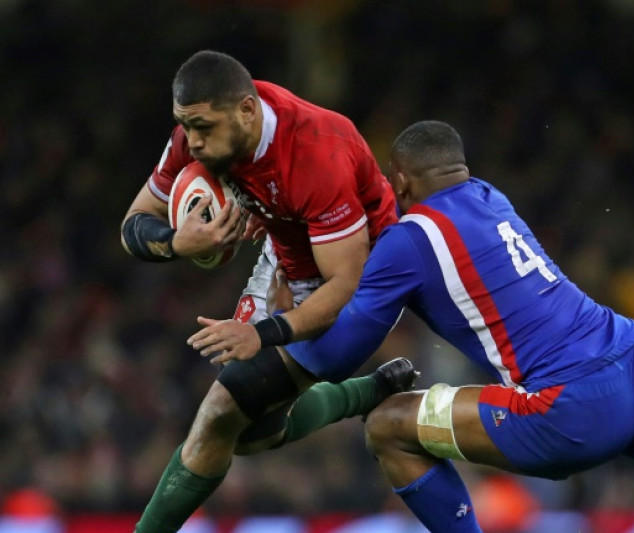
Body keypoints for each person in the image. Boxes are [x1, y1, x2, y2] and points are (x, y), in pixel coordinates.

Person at [201, 120, 634, 532]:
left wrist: (271, 346)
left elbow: (346, 346)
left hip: (573, 404)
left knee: (389, 424)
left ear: (402, 181)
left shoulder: (410, 238)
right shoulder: (489, 197)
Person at [119, 50, 418, 533]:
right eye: (184, 126)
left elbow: (347, 282)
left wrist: (266, 333)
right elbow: (133, 224)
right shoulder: (197, 132)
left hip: (365, 284)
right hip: (288, 248)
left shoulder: (316, 151)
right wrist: (176, 242)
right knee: (250, 435)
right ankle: (366, 393)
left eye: (202, 127)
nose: (191, 141)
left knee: (218, 414)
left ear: (246, 111)